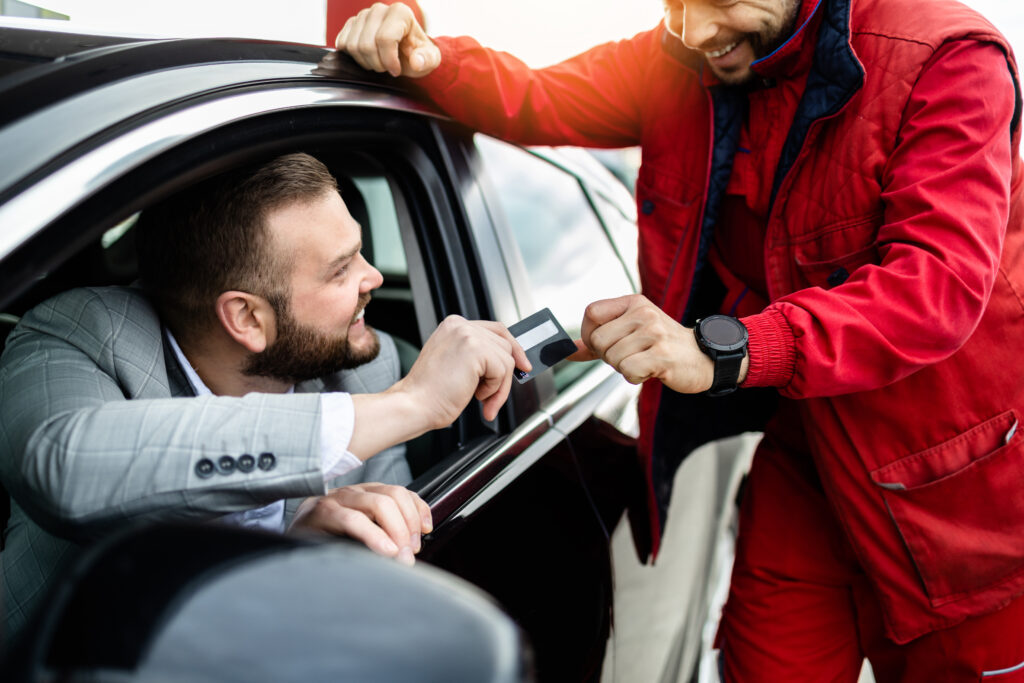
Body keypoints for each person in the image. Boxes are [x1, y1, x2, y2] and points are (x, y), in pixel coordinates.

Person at [337, 1, 1024, 679]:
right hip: (806, 459)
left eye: (719, 0)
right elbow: (532, 94)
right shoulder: (673, 62)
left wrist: (721, 350)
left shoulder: (947, 59)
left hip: (956, 491)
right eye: (675, 2)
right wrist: (424, 54)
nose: (693, 32)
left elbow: (935, 285)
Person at [0, 152, 528, 637]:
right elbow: (65, 467)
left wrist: (326, 543)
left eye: (361, 252)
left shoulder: (368, 364)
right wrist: (410, 405)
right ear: (247, 317)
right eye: (342, 269)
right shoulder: (80, 333)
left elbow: (384, 573)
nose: (372, 277)